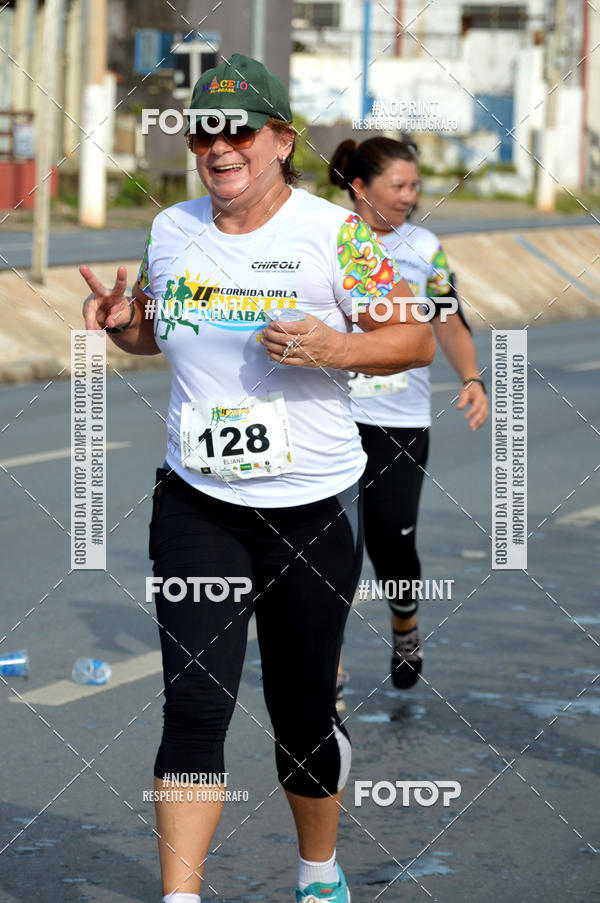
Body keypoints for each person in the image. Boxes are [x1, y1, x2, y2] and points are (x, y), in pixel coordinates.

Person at [80, 57, 435, 903]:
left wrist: (335, 346)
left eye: (239, 129)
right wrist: (124, 325)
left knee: (303, 713)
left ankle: (317, 873)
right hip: (197, 503)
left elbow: (412, 339)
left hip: (308, 512)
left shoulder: (336, 234)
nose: (218, 145)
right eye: (204, 130)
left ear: (281, 139)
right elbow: (160, 339)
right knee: (195, 708)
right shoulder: (171, 228)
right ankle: (181, 896)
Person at [329, 137, 488, 701]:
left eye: (414, 185)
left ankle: (404, 626)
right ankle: (332, 661)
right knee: (332, 544)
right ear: (359, 187)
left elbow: (447, 318)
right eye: (398, 185)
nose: (409, 196)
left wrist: (471, 379)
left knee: (390, 544)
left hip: (398, 423)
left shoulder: (423, 246)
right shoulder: (326, 236)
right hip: (330, 418)